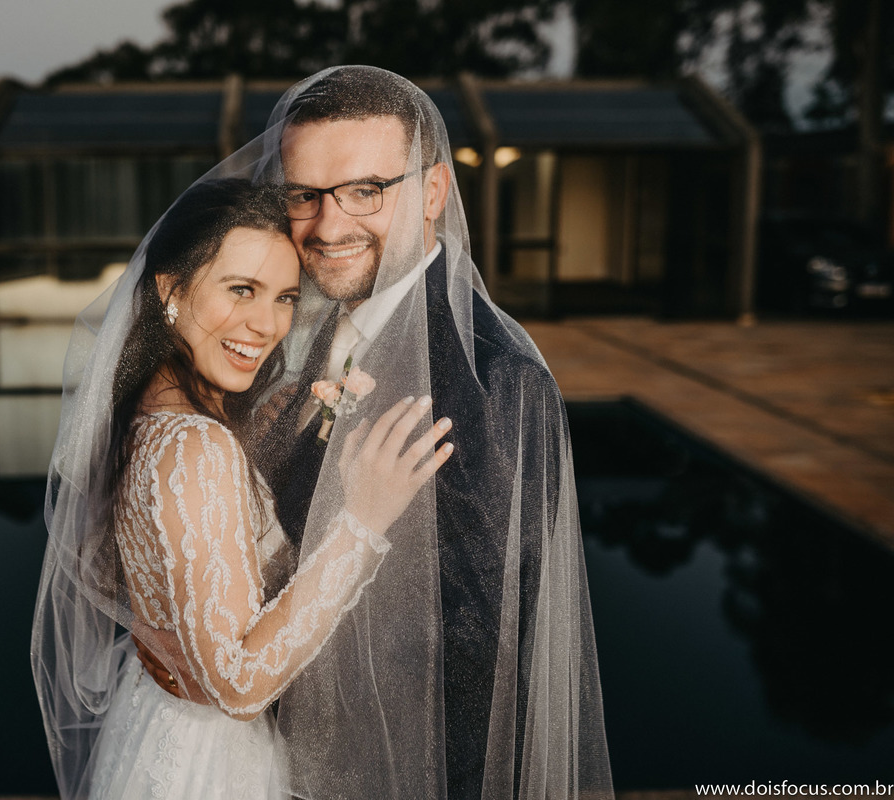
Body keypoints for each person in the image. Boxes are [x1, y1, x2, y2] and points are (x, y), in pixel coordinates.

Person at [138, 66, 614, 799]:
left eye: (366, 191)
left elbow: (476, 664)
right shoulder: (314, 326)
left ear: (431, 192)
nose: (329, 227)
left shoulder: (496, 380)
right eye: (305, 195)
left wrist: (233, 679)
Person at [31, 177, 454, 799]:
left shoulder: (144, 413)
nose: (266, 324)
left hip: (153, 722)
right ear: (171, 289)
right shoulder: (194, 447)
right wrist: (362, 522)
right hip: (213, 762)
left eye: (285, 297)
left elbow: (103, 562)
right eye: (241, 290)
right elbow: (238, 684)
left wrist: (168, 640)